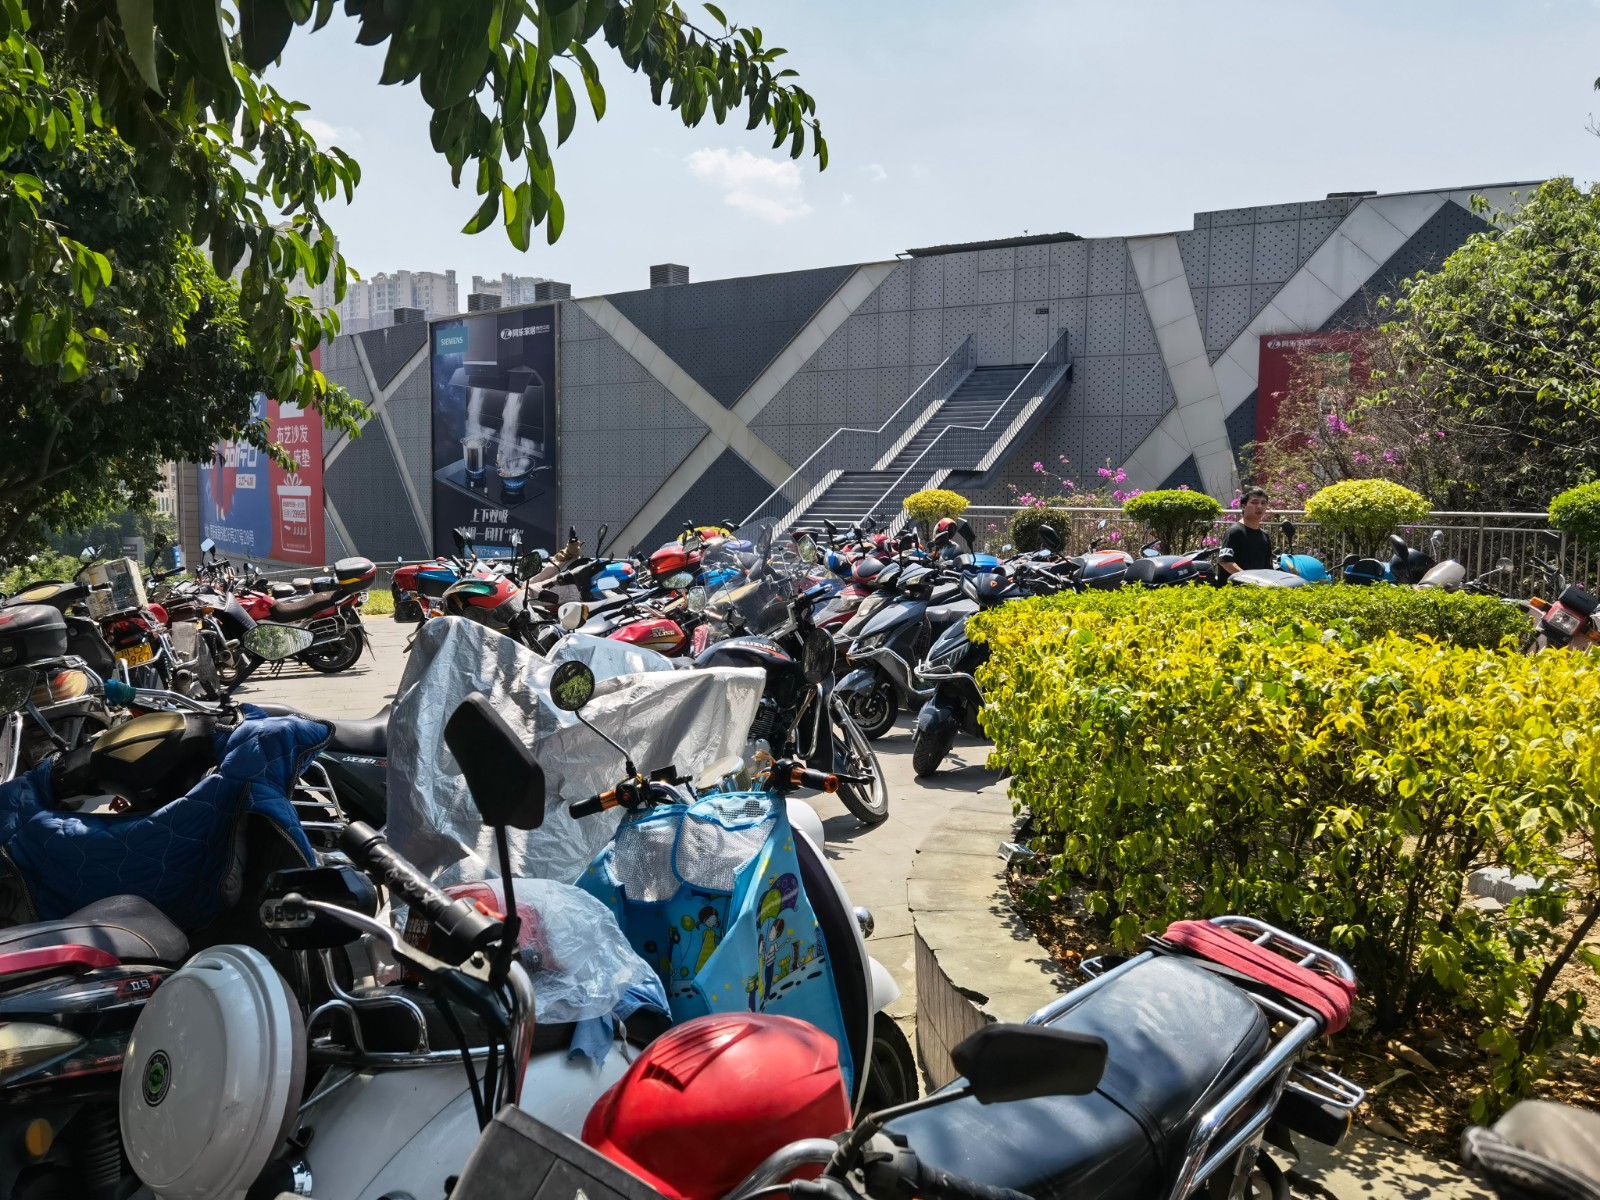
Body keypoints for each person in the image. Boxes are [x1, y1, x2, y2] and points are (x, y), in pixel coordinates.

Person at [1217, 487, 1275, 580]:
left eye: (1263, 503)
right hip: (1235, 587)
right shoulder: (1235, 531)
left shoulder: (1265, 536)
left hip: (1258, 586)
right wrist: (1248, 579)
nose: (1259, 506)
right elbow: (1225, 562)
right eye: (1254, 502)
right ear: (1244, 506)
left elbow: (1268, 567)